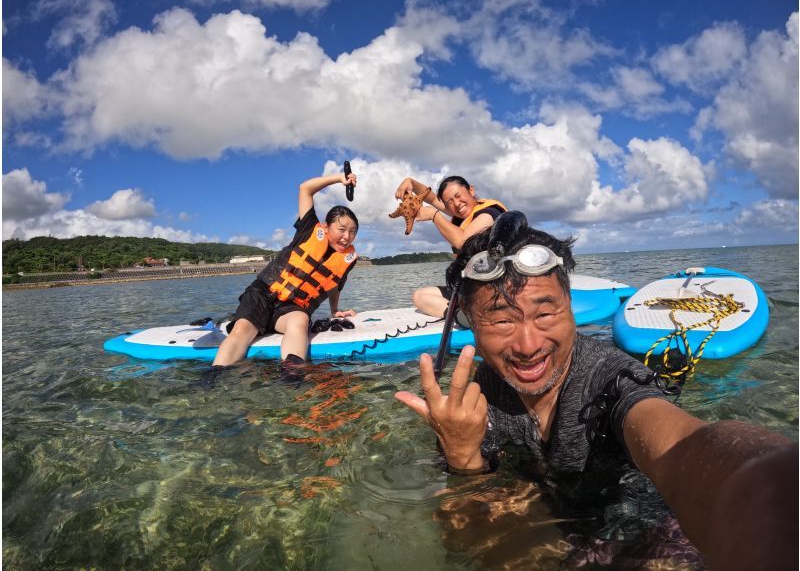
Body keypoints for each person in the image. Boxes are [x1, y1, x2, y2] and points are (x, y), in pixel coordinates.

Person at [395, 213, 797, 568]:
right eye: (502, 322)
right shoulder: (476, 397)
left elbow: (681, 444)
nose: (528, 345)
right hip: (553, 538)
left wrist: (765, 490)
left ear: (570, 307)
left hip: (645, 539)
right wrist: (462, 456)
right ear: (472, 326)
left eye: (545, 312)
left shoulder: (611, 378)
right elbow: (462, 541)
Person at [213, 172, 359, 367]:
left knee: (299, 322)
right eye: (341, 229)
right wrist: (338, 178)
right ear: (326, 227)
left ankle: (292, 373)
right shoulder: (309, 230)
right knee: (242, 330)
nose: (347, 237)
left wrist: (335, 310)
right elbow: (305, 189)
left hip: (292, 309)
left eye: (352, 232)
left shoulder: (348, 259)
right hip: (263, 294)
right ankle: (215, 375)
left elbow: (336, 285)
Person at [393, 175, 507, 317]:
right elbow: (432, 199)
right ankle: (462, 314)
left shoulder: (490, 214)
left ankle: (464, 315)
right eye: (450, 201)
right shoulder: (460, 214)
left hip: (495, 288)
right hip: (472, 285)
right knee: (419, 296)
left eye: (458, 196)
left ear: (471, 190)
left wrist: (434, 216)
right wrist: (410, 181)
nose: (457, 203)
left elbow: (462, 240)